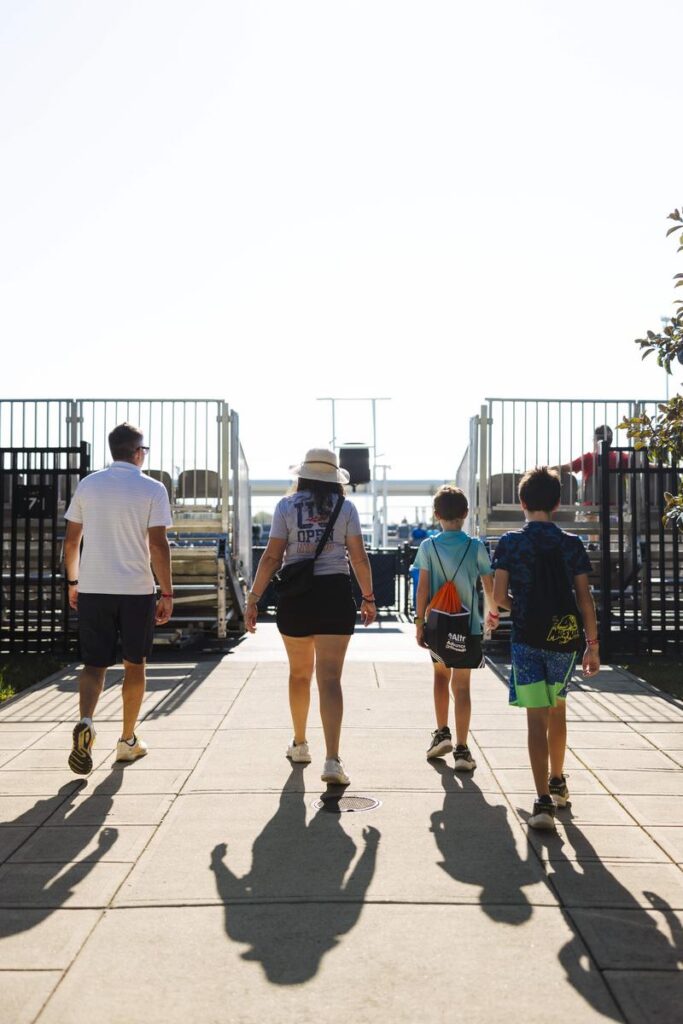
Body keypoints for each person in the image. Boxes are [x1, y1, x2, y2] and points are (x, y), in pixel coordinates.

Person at [244, 449, 376, 786]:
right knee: (330, 679)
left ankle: (300, 743)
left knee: (299, 674)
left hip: (296, 595)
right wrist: (368, 597)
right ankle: (332, 760)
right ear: (334, 478)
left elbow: (273, 555)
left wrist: (253, 597)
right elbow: (358, 558)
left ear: (302, 475)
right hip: (334, 592)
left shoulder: (286, 507)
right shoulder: (345, 508)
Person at [492, 466, 600, 829]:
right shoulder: (572, 544)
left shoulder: (509, 542)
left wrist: (521, 606)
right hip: (564, 640)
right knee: (559, 709)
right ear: (557, 504)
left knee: (535, 720)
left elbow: (498, 597)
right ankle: (558, 779)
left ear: (522, 502)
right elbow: (585, 599)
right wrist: (593, 645)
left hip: (526, 639)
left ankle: (542, 804)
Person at [63, 423, 174, 775]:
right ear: (138, 452)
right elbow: (158, 545)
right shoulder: (152, 489)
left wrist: (73, 582)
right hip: (135, 590)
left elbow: (70, 541)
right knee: (134, 665)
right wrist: (167, 591)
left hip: (93, 588)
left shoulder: (88, 485)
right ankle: (127, 740)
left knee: (94, 665)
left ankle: (86, 720)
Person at [413, 485, 499, 769]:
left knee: (440, 678)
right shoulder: (475, 547)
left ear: (436, 514)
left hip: (438, 625)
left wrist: (419, 622)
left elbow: (422, 588)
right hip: (469, 626)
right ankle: (462, 749)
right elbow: (489, 585)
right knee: (462, 688)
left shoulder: (428, 546)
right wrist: (492, 614)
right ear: (465, 514)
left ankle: (441, 734)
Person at [559, 425, 629, 505]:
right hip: (617, 509)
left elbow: (564, 468)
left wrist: (544, 470)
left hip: (591, 510)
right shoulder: (622, 457)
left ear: (595, 440)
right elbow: (641, 465)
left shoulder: (588, 458)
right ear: (611, 440)